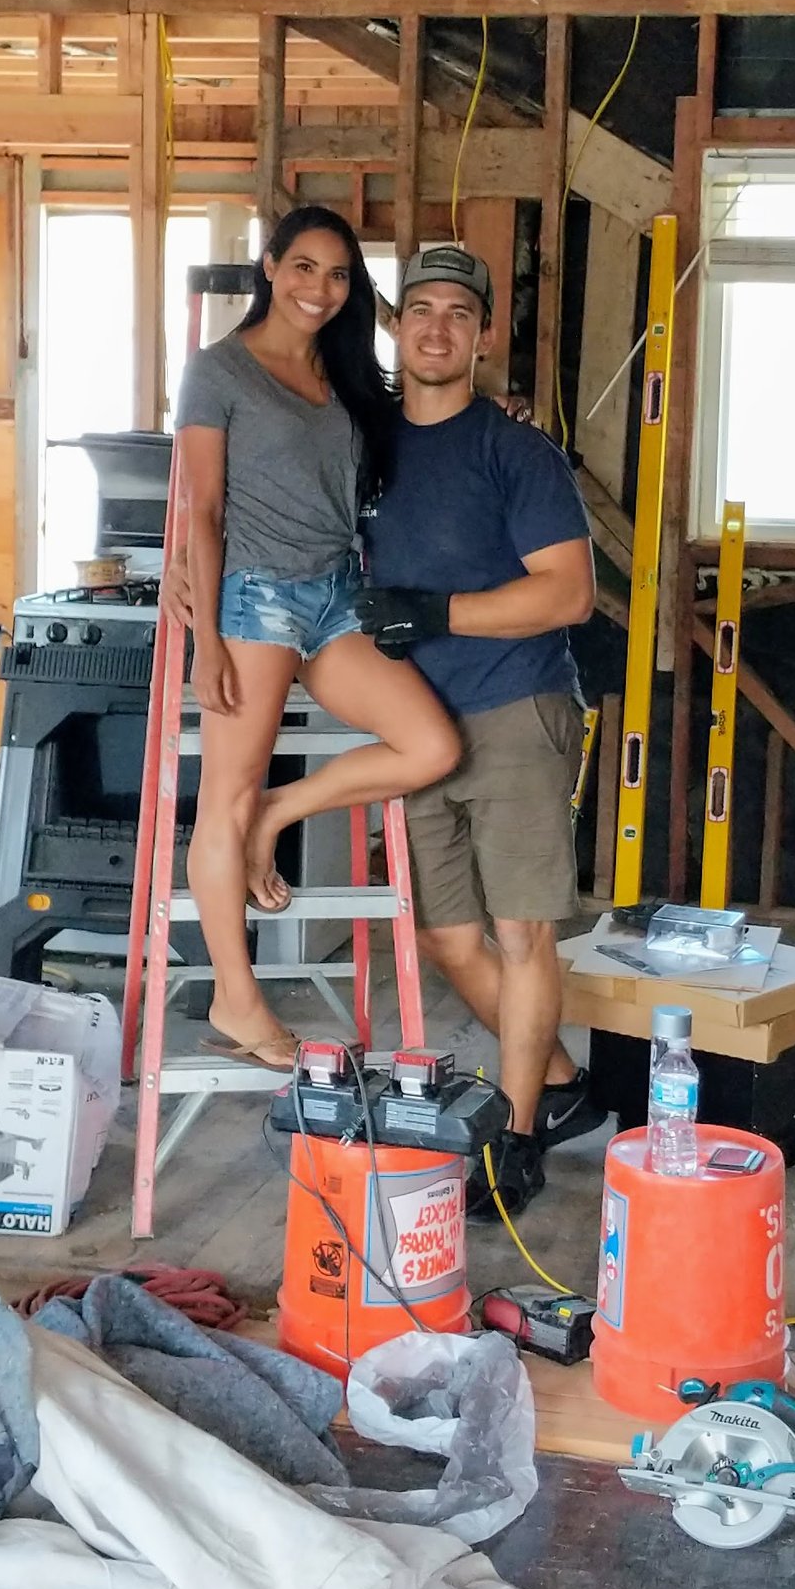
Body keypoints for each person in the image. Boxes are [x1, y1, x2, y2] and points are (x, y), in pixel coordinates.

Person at [171, 205, 458, 1074]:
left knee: (431, 744)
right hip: (254, 599)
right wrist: (209, 640)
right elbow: (205, 507)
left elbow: (411, 433)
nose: (319, 289)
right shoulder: (218, 371)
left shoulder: (345, 374)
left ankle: (280, 813)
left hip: (335, 594)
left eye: (337, 276)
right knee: (222, 795)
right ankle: (236, 995)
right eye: (303, 267)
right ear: (269, 266)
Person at [353, 240, 600, 1221]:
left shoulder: (516, 452)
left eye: (460, 312)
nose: (438, 327)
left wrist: (440, 613)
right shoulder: (367, 443)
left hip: (513, 708)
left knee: (521, 930)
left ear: (483, 335)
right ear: (399, 326)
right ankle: (568, 1079)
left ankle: (521, 1135)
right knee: (453, 942)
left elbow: (569, 592)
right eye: (422, 309)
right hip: (415, 725)